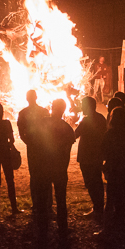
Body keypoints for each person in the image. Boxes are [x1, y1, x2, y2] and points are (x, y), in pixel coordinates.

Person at [100, 105, 125, 234]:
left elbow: (103, 152)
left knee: (111, 201)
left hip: (115, 172)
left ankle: (107, 230)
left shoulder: (111, 134)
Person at [40, 98, 76, 233]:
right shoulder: (67, 128)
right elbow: (67, 151)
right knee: (61, 198)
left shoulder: (42, 124)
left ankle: (43, 228)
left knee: (43, 198)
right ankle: (62, 227)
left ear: (52, 107)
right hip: (60, 168)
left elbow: (36, 144)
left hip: (45, 167)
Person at [17, 90, 50, 214]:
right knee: (46, 173)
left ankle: (36, 203)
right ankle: (47, 203)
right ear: (36, 97)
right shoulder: (44, 111)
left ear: (27, 98)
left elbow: (21, 132)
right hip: (43, 146)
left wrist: (28, 142)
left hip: (33, 146)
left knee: (34, 175)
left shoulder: (23, 113)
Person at [75, 96, 106, 220]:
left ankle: (97, 208)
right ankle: (99, 207)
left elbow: (74, 135)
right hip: (97, 156)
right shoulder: (101, 118)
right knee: (97, 181)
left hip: (87, 157)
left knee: (91, 183)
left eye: (83, 105)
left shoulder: (86, 121)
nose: (81, 107)